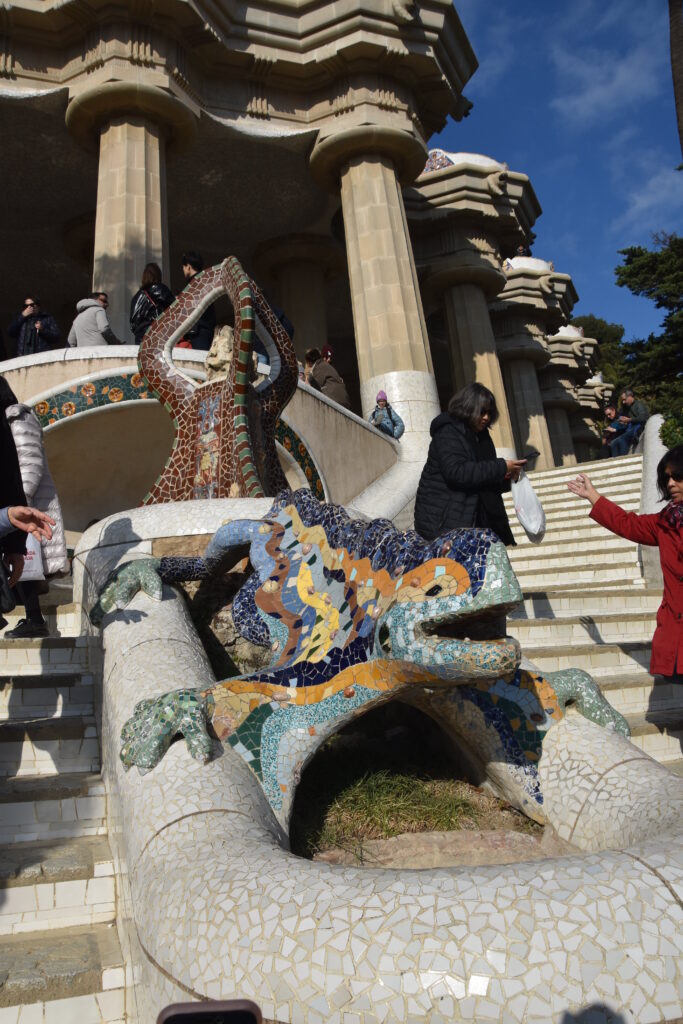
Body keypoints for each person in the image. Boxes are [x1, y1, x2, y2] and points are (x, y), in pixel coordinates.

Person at [568, 446, 683, 678]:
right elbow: (628, 524)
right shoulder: (665, 522)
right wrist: (593, 497)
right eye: (666, 478)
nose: (670, 484)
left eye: (677, 477)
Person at [414, 382, 526, 544]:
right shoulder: (448, 432)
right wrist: (501, 466)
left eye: (489, 413)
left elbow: (483, 481)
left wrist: (507, 477)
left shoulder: (482, 437)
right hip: (446, 524)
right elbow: (457, 472)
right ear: (468, 408)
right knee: (446, 570)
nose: (486, 417)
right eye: (482, 412)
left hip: (481, 522)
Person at [0, 377, 69, 638]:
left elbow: (28, 464)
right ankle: (31, 618)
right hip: (16, 511)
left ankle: (34, 619)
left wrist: (19, 506)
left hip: (27, 510)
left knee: (27, 564)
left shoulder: (16, 417)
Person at [129, 263, 175, 344]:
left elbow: (132, 324)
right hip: (156, 332)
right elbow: (175, 306)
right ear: (157, 275)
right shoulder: (160, 289)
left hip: (139, 337)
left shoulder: (135, 297)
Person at [180, 251, 216, 350]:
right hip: (205, 328)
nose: (183, 270)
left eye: (183, 267)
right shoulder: (205, 280)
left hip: (198, 330)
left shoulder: (193, 285)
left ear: (188, 267)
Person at [304, 345, 350, 409]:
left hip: (335, 400)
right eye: (326, 357)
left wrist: (308, 379)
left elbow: (313, 385)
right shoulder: (326, 366)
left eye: (330, 358)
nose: (328, 360)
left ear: (309, 361)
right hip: (343, 402)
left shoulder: (320, 366)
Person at [609, 389, 649, 457]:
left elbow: (643, 418)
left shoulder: (639, 405)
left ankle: (622, 458)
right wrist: (622, 421)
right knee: (613, 443)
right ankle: (614, 460)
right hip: (631, 428)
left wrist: (629, 420)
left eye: (625, 399)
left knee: (622, 439)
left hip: (639, 427)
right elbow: (625, 419)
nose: (624, 402)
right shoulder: (627, 408)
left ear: (630, 396)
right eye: (622, 400)